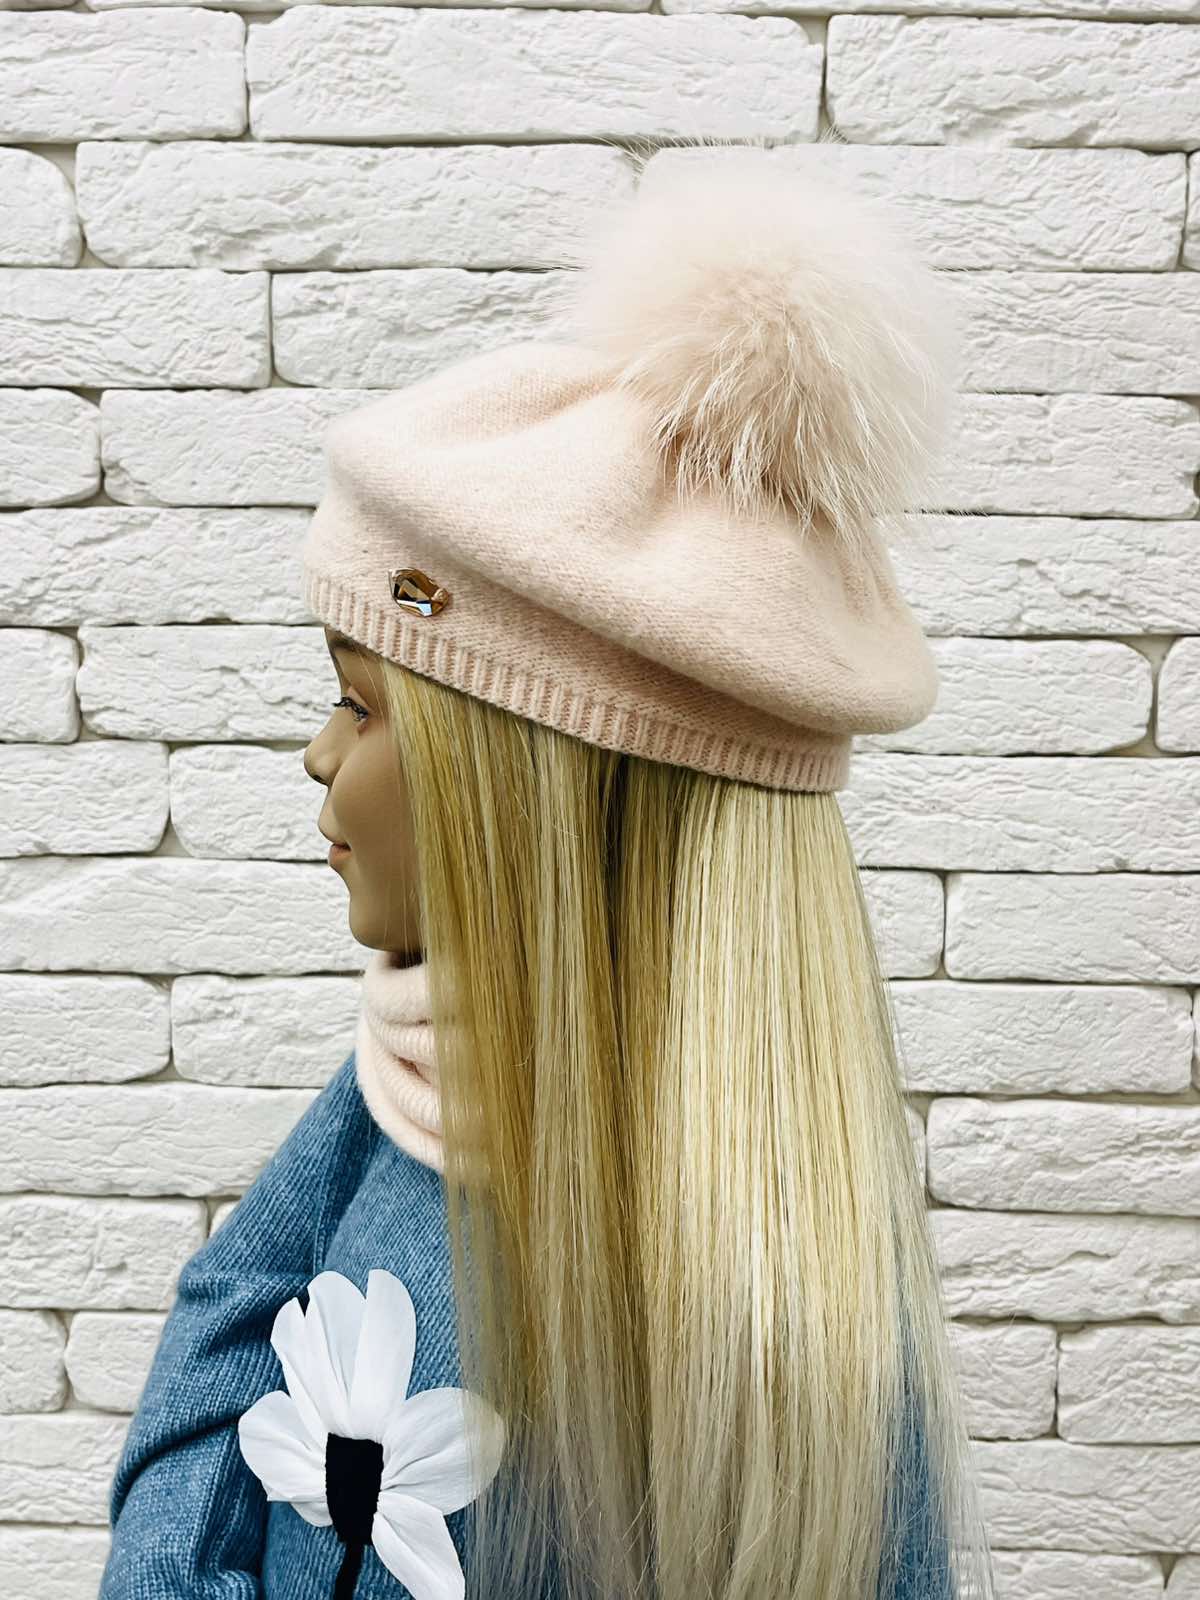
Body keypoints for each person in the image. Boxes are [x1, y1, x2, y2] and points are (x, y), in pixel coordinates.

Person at [98, 140, 996, 1600]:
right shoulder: (407, 1083)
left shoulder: (762, 1321)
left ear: (525, 797)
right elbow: (229, 1319)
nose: (319, 758)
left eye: (364, 705)